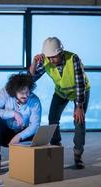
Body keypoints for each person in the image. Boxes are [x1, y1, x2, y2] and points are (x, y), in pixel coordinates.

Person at [28, 37, 90, 169]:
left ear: (61, 53)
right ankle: (56, 147)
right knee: (52, 119)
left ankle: (78, 156)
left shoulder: (73, 59)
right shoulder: (47, 60)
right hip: (61, 92)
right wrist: (34, 62)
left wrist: (79, 106)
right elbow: (31, 78)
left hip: (80, 92)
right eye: (48, 57)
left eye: (53, 57)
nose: (50, 60)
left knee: (79, 121)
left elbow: (80, 84)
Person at [0, 73, 42, 175]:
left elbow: (35, 125)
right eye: (22, 93)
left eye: (27, 92)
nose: (25, 95)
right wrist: (13, 113)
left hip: (22, 135)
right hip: (5, 134)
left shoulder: (34, 100)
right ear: (14, 92)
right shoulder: (4, 93)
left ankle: (25, 162)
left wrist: (19, 136)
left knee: (37, 134)